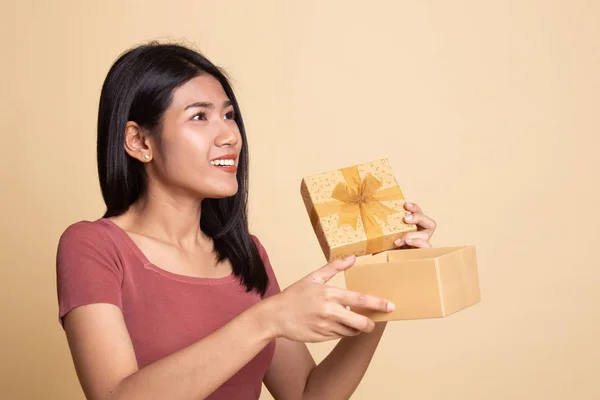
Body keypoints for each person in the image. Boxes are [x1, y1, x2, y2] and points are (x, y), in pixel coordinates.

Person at [56, 42, 437, 400]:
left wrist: (386, 285)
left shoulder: (245, 253)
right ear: (139, 141)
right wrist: (266, 320)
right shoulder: (92, 245)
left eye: (229, 115)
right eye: (200, 117)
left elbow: (306, 393)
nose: (229, 136)